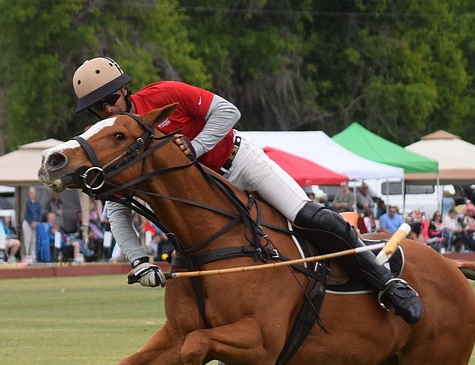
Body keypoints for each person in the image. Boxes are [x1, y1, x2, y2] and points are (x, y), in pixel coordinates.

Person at [71, 57, 421, 324]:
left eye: (111, 99)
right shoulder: (106, 140)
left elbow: (228, 110)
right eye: (97, 107)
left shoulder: (165, 95)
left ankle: (388, 282)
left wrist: (195, 146)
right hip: (208, 198)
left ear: (125, 91)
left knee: (306, 215)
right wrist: (138, 259)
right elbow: (116, 206)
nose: (108, 109)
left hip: (238, 163)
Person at [23, 187, 43, 263]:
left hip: (35, 223)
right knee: (27, 239)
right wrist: (31, 222)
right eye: (31, 193)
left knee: (34, 240)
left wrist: (37, 222)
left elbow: (40, 214)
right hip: (28, 223)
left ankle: (33, 256)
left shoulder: (38, 204)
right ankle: (27, 255)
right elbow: (27, 214)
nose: (32, 195)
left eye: (34, 193)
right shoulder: (27, 203)